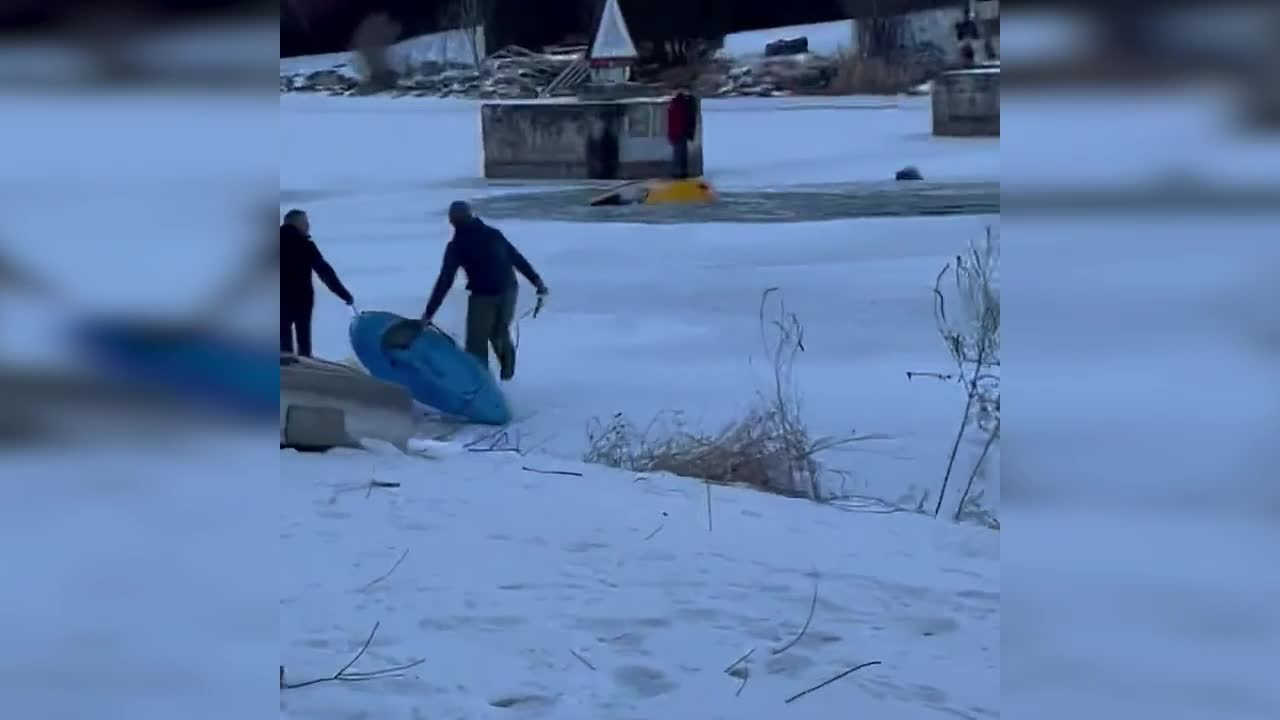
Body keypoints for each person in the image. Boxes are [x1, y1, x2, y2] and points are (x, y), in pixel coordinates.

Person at [420, 201, 547, 381]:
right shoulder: (493, 234)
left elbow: (445, 281)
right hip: (509, 290)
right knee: (499, 333)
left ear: (452, 221)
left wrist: (428, 314)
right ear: (471, 216)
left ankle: (479, 382)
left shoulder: (457, 246)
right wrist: (537, 281)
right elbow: (516, 258)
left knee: (476, 343)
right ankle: (507, 373)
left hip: (484, 295)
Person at [280, 209, 354, 357]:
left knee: (283, 334)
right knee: (303, 336)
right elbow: (325, 272)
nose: (308, 225)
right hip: (302, 297)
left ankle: (285, 363)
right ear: (296, 223)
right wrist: (344, 294)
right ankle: (305, 361)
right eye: (305, 222)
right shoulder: (305, 244)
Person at [666, 89, 698, 179]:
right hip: (681, 132)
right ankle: (681, 173)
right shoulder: (683, 104)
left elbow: (672, 121)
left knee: (678, 154)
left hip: (677, 133)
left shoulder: (675, 105)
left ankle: (679, 173)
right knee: (681, 154)